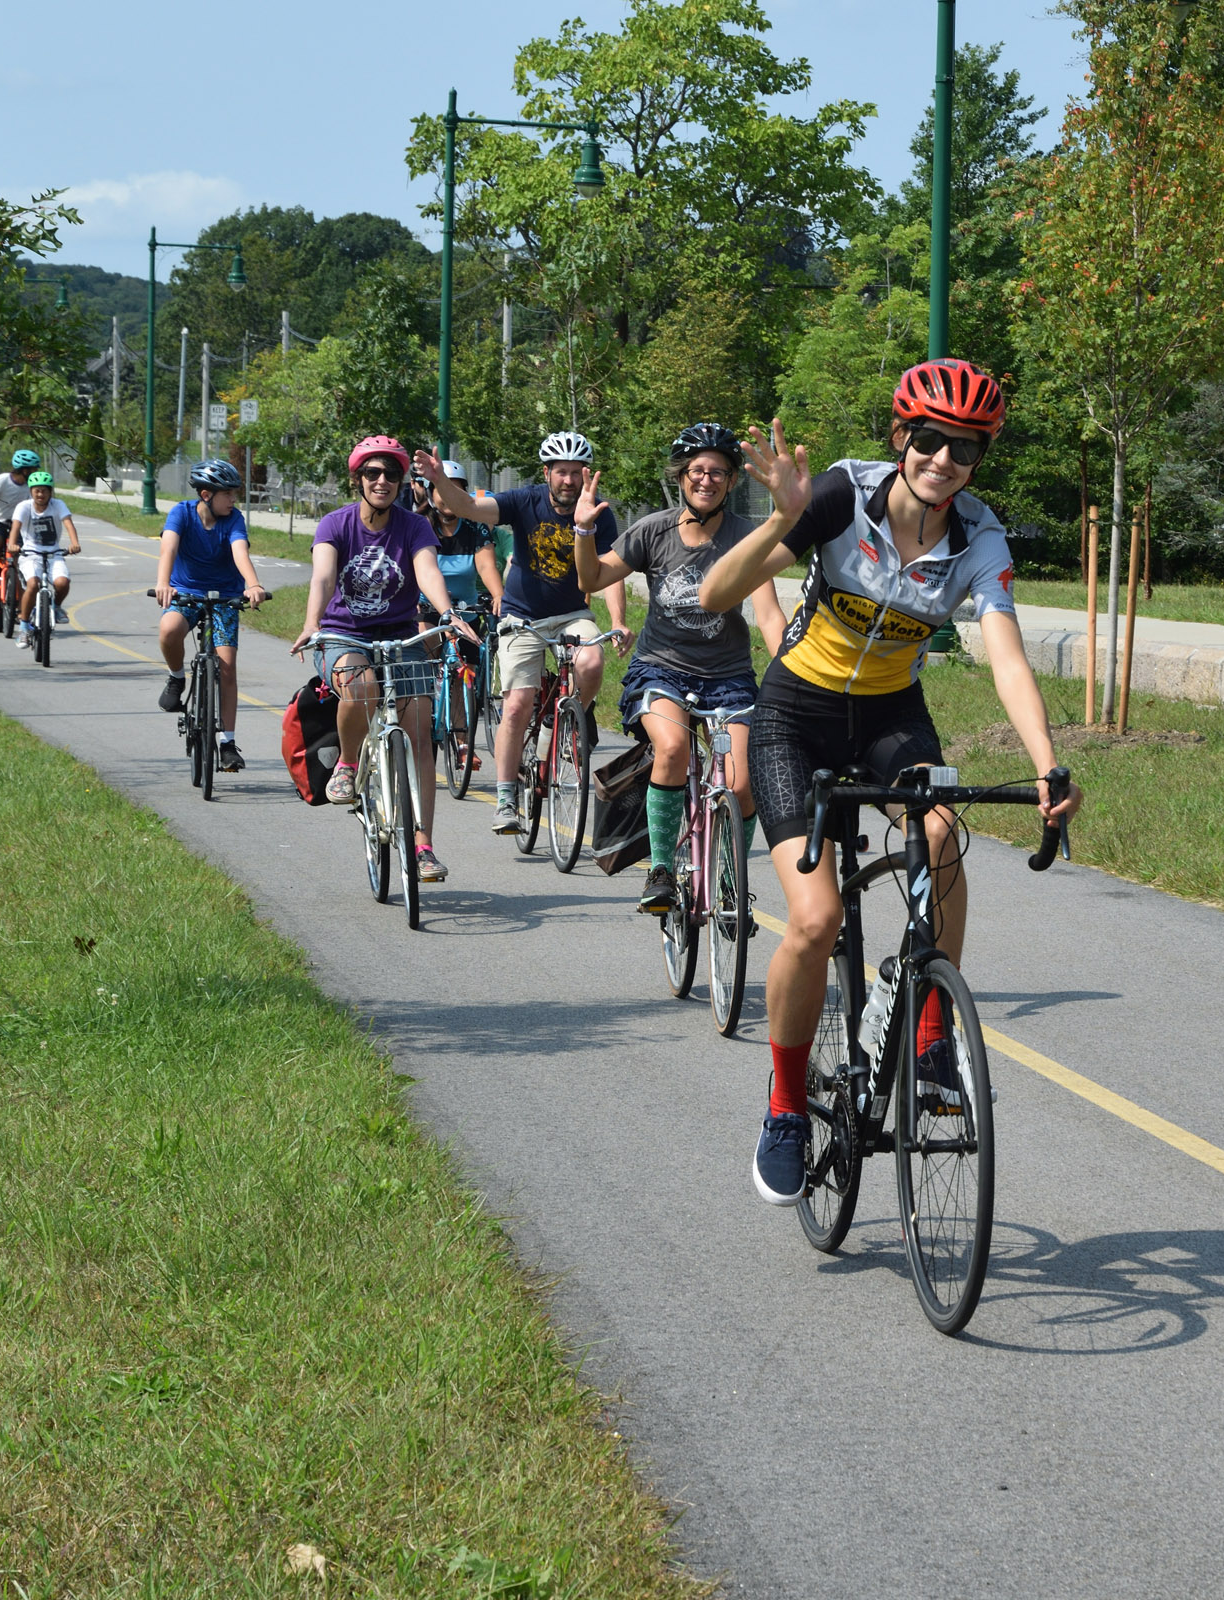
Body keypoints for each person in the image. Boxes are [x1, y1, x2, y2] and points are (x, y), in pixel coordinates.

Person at [699, 359, 1085, 1207]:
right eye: (931, 439)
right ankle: (786, 1104)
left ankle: (929, 1034)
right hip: (793, 717)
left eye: (968, 449)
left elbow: (1008, 660)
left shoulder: (979, 537)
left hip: (889, 716)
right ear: (901, 437)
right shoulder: (840, 495)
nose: (946, 459)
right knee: (816, 919)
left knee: (943, 832)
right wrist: (783, 525)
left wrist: (1047, 762)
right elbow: (713, 590)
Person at [574, 423, 788, 913]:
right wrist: (584, 529)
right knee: (671, 749)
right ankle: (662, 870)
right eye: (697, 471)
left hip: (729, 677)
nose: (707, 480)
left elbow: (771, 614)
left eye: (718, 472)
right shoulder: (653, 530)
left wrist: (786, 670)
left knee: (743, 782)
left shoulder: (746, 537)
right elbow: (592, 577)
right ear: (681, 477)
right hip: (660, 671)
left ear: (733, 481)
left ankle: (731, 880)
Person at [417, 433, 632, 835]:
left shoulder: (598, 512)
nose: (568, 480)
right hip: (522, 615)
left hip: (572, 612)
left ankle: (561, 723)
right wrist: (439, 481)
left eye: (576, 472)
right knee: (516, 705)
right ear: (547, 473)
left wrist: (617, 620)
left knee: (592, 660)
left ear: (586, 475)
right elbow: (467, 506)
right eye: (561, 472)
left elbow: (610, 570)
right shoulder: (523, 501)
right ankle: (505, 798)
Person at [290, 436, 480, 884]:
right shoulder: (335, 524)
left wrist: (448, 613)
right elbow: (322, 575)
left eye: (391, 474)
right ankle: (349, 762)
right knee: (361, 687)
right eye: (373, 473)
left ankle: (424, 846)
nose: (382, 481)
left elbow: (427, 571)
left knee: (418, 729)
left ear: (401, 482)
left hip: (400, 634)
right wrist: (311, 622)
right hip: (342, 633)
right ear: (358, 478)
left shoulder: (415, 527)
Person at [155, 459, 269, 771]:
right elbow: (168, 549)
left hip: (225, 596)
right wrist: (163, 583)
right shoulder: (181, 513)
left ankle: (227, 742)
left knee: (227, 667)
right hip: (185, 592)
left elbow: (239, 552)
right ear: (206, 495)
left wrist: (253, 584)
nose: (234, 499)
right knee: (169, 629)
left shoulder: (233, 519)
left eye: (235, 494)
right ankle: (177, 677)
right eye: (228, 494)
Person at [422, 461, 501, 777]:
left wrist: (498, 595)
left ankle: (464, 741)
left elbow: (486, 567)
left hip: (467, 611)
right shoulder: (421, 526)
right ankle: (425, 706)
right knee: (428, 655)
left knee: (464, 673)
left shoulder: (475, 527)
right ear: (431, 494)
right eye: (441, 490)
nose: (446, 497)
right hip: (427, 608)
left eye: (454, 490)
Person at [8, 470, 80, 649]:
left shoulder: (58, 505)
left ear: (50, 492)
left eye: (45, 491)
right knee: (33, 584)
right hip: (30, 555)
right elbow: (15, 527)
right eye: (37, 490)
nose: (41, 494)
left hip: (53, 553)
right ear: (31, 491)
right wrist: (12, 544)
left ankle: (55, 607)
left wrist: (74, 543)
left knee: (62, 583)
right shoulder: (24, 507)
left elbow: (68, 523)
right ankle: (24, 627)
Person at [0, 449, 39, 590]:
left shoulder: (31, 485)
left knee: (21, 556)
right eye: (33, 469)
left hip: (19, 525)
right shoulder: (3, 480)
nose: (35, 472)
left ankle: (16, 589)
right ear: (24, 470)